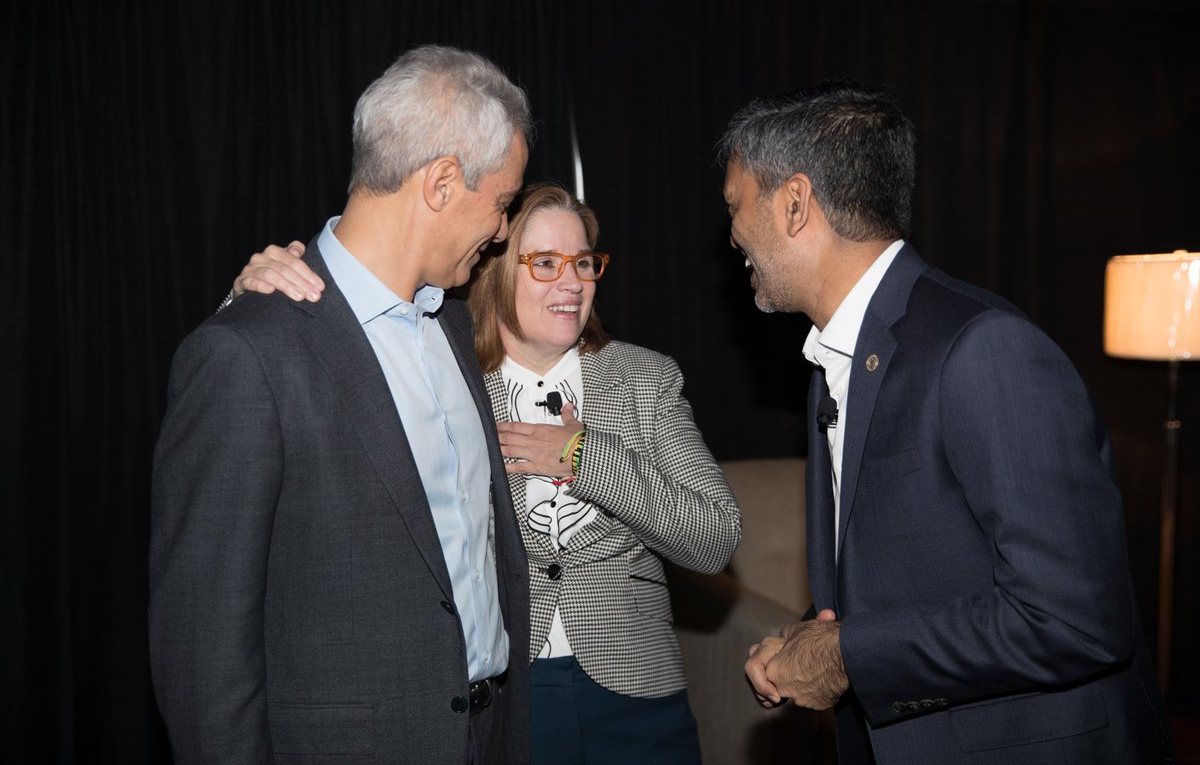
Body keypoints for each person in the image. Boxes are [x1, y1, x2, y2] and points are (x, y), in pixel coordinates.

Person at [726, 81, 1175, 763]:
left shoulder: (983, 349)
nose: (733, 235)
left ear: (794, 203)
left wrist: (850, 655)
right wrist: (821, 646)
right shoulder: (833, 360)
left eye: (737, 206)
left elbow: (1075, 620)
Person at [232, 182, 742, 764]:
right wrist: (248, 297)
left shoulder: (644, 380)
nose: (572, 282)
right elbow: (313, 381)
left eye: (583, 263)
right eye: (545, 263)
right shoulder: (445, 374)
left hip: (636, 693)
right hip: (504, 697)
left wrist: (586, 460)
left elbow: (716, 538)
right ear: (495, 270)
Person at [150, 45, 532, 764]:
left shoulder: (451, 323)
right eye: (504, 203)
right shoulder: (245, 354)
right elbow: (202, 654)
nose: (504, 231)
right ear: (443, 182)